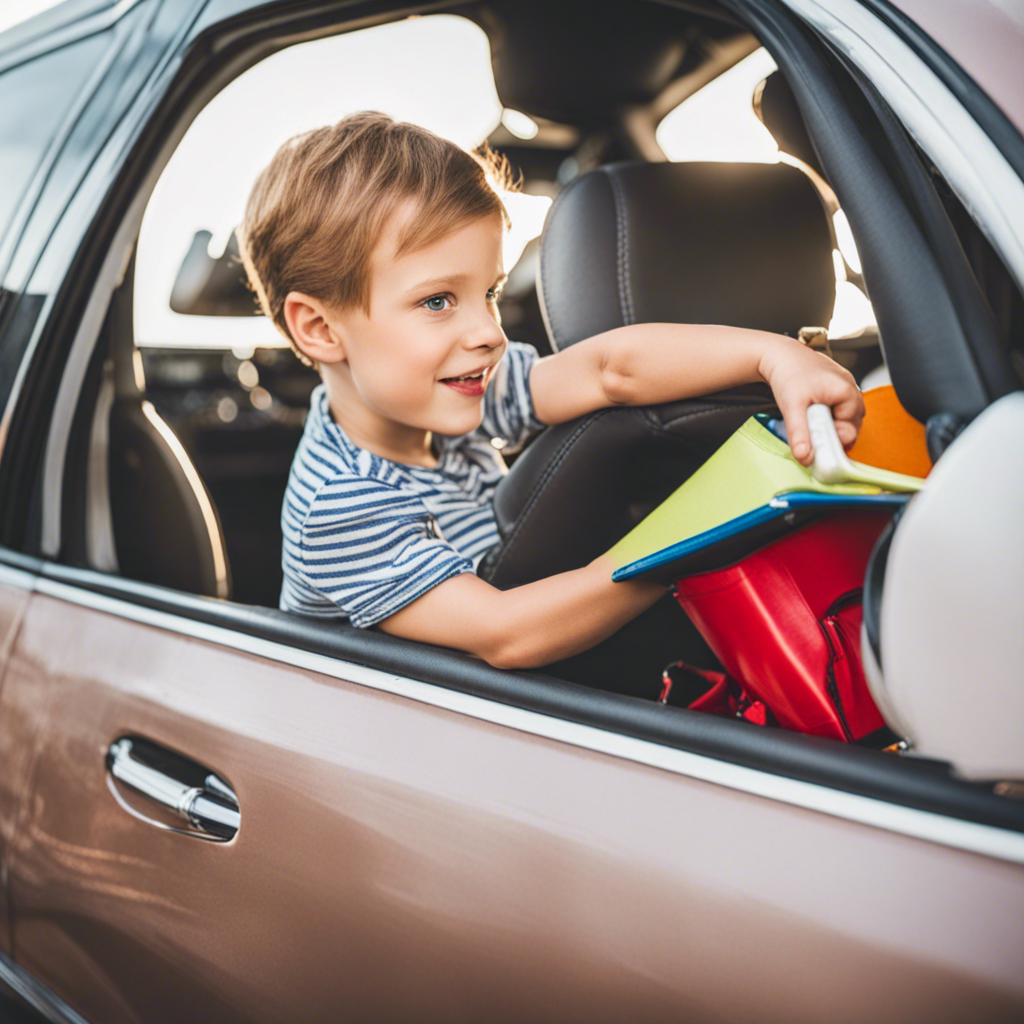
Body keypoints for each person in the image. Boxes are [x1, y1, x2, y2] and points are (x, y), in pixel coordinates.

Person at [238, 112, 863, 670]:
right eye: (437, 301)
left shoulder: (459, 391)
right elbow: (507, 633)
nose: (487, 332)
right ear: (320, 328)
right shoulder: (340, 504)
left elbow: (608, 371)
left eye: (488, 293)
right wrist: (685, 543)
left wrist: (774, 355)